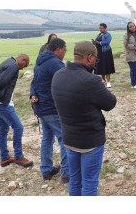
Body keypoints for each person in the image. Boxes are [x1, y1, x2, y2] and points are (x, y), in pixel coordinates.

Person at [51, 41, 117, 196]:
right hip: (90, 141)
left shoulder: (58, 75)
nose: (95, 62)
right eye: (96, 58)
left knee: (74, 180)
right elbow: (110, 103)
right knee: (89, 183)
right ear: (89, 57)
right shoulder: (91, 80)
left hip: (69, 139)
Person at [0, 54, 33, 168]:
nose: (22, 69)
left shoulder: (5, 62)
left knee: (3, 131)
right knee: (18, 127)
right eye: (25, 65)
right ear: (22, 60)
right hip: (2, 102)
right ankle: (18, 156)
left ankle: (4, 158)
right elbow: (0, 82)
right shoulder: (13, 65)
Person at [30, 38, 69, 183]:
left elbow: (33, 82)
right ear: (59, 49)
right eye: (65, 50)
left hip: (42, 109)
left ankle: (46, 170)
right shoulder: (54, 63)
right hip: (52, 108)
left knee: (47, 139)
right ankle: (67, 173)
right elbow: (66, 81)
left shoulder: (40, 62)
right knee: (64, 140)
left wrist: (32, 95)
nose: (65, 53)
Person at [92, 23, 115, 88]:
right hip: (99, 52)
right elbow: (97, 41)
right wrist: (94, 42)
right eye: (99, 28)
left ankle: (108, 82)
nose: (100, 30)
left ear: (105, 28)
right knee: (101, 66)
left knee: (107, 66)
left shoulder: (108, 35)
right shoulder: (99, 34)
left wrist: (98, 43)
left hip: (106, 52)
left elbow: (107, 42)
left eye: (101, 28)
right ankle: (103, 80)